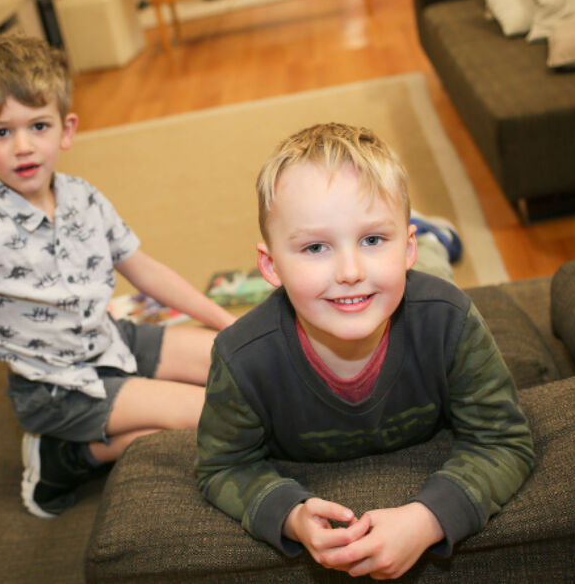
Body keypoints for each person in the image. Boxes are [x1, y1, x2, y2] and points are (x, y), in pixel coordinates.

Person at [0, 32, 235, 519]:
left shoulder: (82, 196)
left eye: (38, 126)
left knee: (233, 362)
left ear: (65, 130)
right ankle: (62, 458)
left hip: (109, 339)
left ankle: (108, 421)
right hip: (56, 387)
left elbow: (142, 267)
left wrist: (224, 323)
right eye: (1, 132)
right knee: (205, 419)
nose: (23, 147)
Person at [195, 123, 534, 579]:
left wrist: (427, 520)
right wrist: (289, 514)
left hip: (417, 283)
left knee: (434, 277)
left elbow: (504, 439)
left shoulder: (448, 319)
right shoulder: (241, 359)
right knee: (386, 282)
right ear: (271, 266)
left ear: (403, 245)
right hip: (394, 284)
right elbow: (222, 466)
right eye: (316, 247)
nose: (350, 270)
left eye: (373, 239)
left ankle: (432, 240)